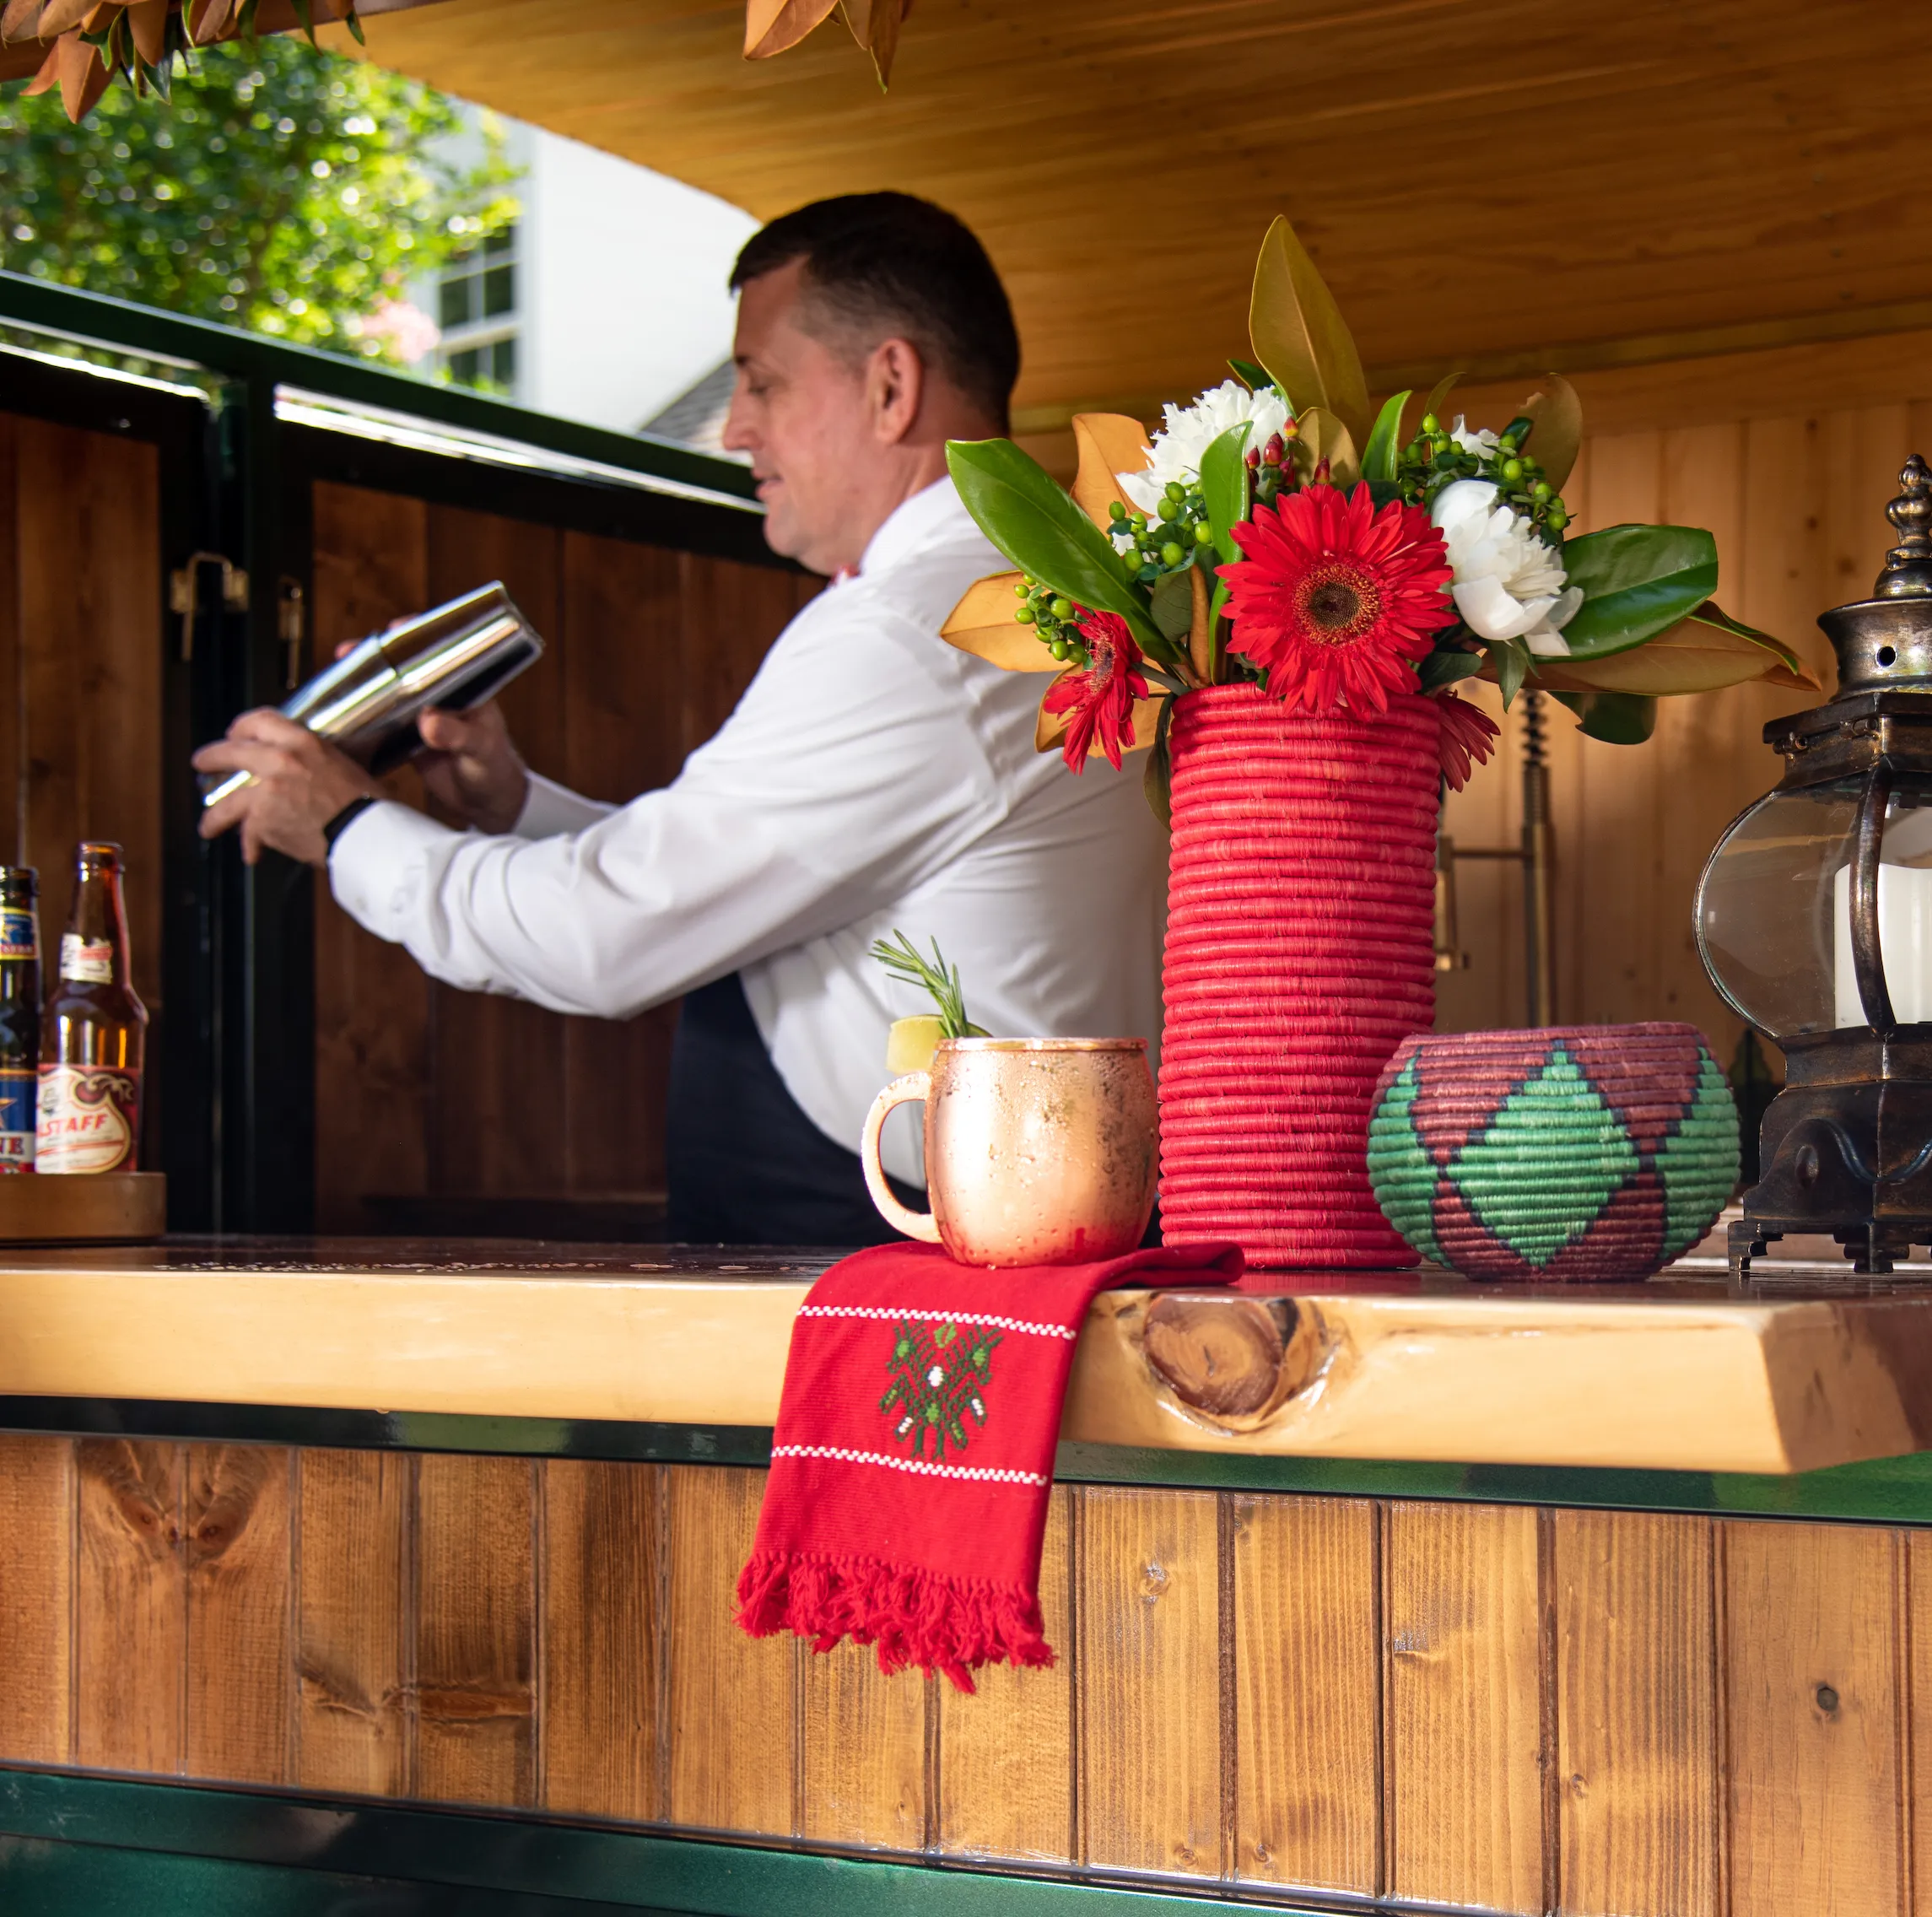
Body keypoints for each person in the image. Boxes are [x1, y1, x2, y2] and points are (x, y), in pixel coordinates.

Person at [195, 192, 1165, 1245]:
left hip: (879, 1257)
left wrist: (344, 827)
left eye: (761, 383)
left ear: (892, 387)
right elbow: (746, 877)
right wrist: (515, 805)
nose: (734, 426)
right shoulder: (1042, 594)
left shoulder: (910, 633)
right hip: (990, 1224)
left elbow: (607, 933)